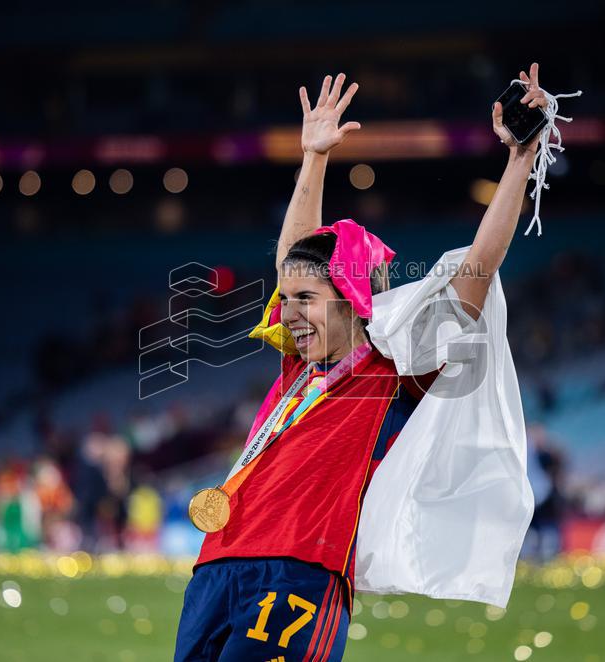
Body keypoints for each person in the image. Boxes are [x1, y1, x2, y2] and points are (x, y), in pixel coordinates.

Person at [174, 64, 549, 661]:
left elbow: (478, 267)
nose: (289, 313)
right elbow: (293, 259)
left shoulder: (391, 374)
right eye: (287, 301)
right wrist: (314, 159)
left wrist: (520, 160)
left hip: (301, 575)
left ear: (349, 301)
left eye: (307, 301)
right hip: (217, 563)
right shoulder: (299, 368)